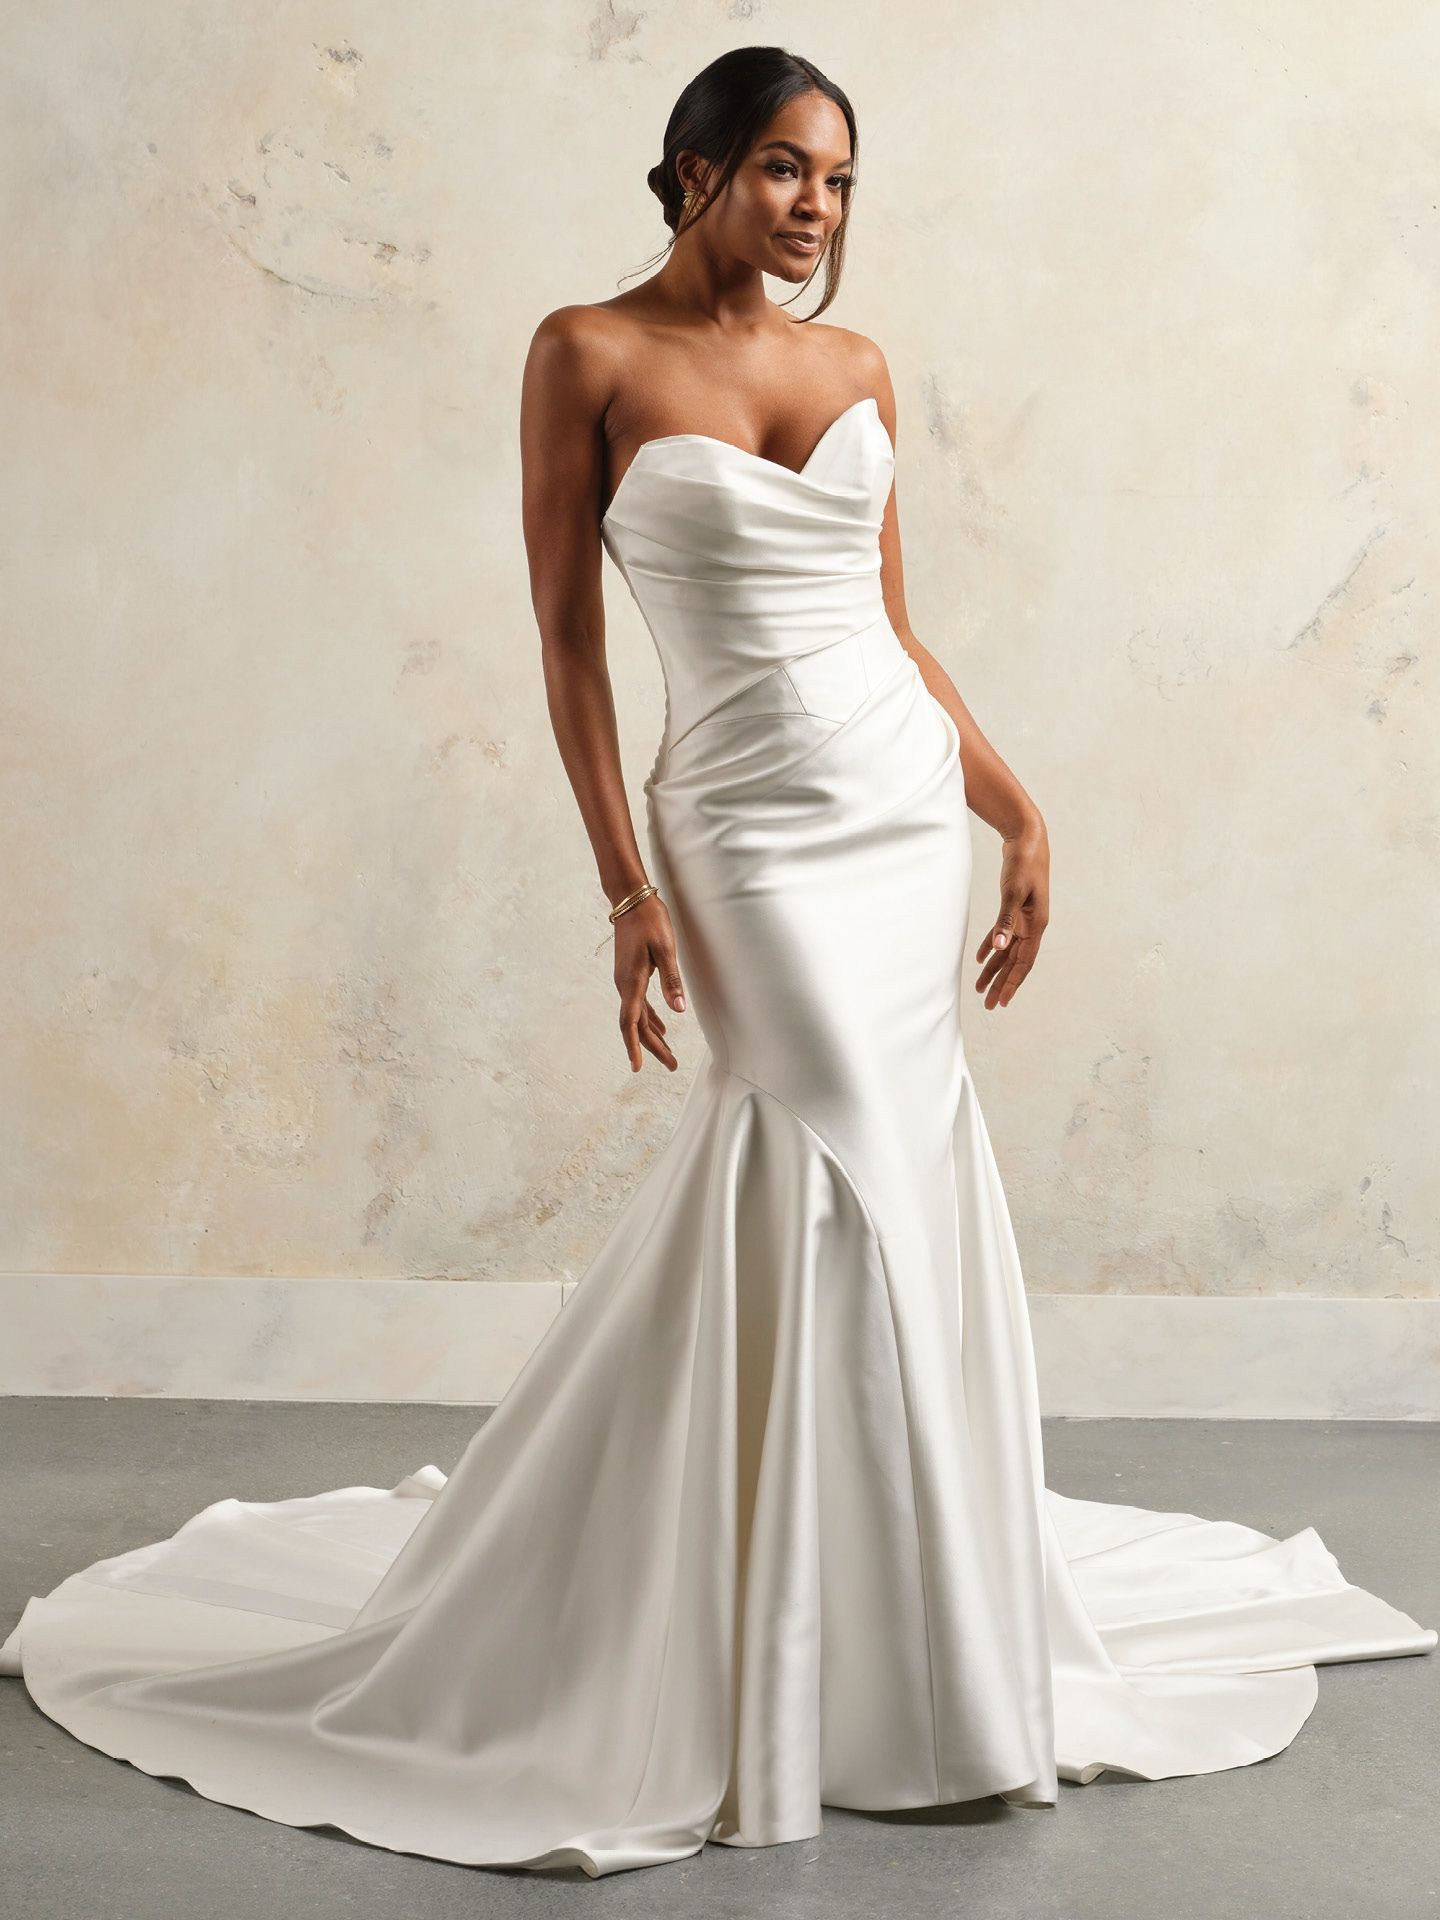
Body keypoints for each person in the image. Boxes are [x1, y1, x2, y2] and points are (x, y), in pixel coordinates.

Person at [4, 44, 1433, 1883]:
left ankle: (894, 1638)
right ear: (689, 172)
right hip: (743, 828)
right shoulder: (582, 355)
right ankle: (753, 1636)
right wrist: (624, 881)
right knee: (807, 1132)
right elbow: (568, 645)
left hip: (902, 812)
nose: (814, 206)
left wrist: (1017, 807)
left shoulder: (855, 368)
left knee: (900, 1177)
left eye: (836, 178)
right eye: (779, 168)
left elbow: (894, 626)